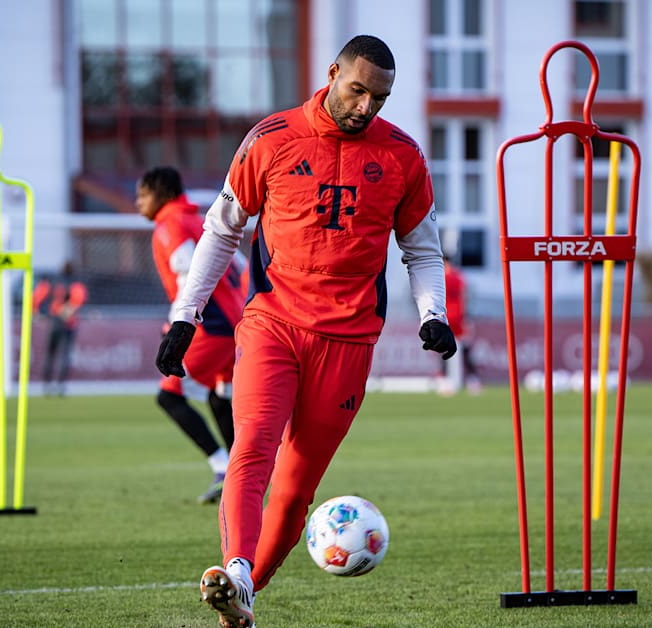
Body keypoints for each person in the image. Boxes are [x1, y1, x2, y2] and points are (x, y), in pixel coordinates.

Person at [155, 35, 456, 627]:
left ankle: (245, 595)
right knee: (253, 448)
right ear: (332, 73)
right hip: (272, 323)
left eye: (381, 97)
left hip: (349, 343)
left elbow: (422, 249)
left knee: (294, 496)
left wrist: (433, 315)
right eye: (358, 89)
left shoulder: (403, 156)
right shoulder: (271, 139)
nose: (367, 106)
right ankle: (237, 567)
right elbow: (221, 230)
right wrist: (184, 317)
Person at [137, 166, 244, 504]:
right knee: (220, 397)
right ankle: (240, 477)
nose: (138, 202)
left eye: (143, 195)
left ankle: (223, 468)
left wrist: (175, 327)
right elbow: (238, 266)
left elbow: (186, 274)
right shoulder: (196, 220)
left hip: (207, 325)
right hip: (233, 322)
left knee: (168, 396)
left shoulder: (169, 225)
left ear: (161, 193)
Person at [32, 262, 87, 396]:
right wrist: (66, 311)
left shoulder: (51, 282)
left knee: (51, 354)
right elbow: (78, 299)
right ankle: (60, 386)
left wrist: (36, 313)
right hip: (67, 323)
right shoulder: (74, 283)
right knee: (64, 355)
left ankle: (47, 385)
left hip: (54, 322)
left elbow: (35, 298)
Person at [437, 254, 481, 396]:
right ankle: (473, 381)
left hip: (446, 318)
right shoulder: (459, 277)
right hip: (459, 317)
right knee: (465, 350)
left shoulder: (441, 277)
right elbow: (464, 297)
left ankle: (445, 381)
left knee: (444, 350)